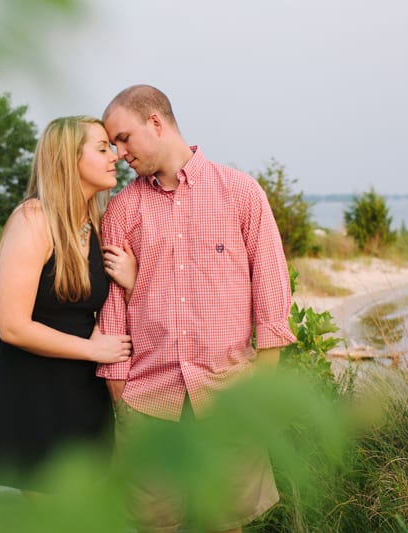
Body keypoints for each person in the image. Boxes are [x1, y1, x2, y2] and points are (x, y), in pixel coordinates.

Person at [97, 85, 297, 532]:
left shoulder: (241, 193)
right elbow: (112, 311)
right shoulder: (123, 209)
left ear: (156, 122)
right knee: (155, 526)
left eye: (124, 138)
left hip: (228, 397)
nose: (120, 152)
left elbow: (271, 299)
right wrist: (121, 397)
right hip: (148, 400)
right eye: (113, 144)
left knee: (223, 524)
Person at [0, 115, 136, 495]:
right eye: (102, 148)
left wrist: (132, 281)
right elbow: (12, 326)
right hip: (32, 381)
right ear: (68, 159)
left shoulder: (94, 222)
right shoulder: (33, 220)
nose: (115, 157)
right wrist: (94, 349)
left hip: (79, 381)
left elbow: (90, 309)